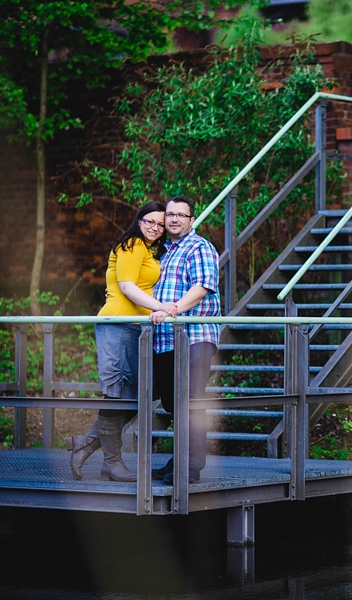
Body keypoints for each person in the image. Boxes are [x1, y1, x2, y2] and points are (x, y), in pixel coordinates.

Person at [66, 201, 178, 481]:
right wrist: (160, 307)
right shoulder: (130, 246)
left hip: (135, 328)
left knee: (137, 395)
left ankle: (87, 443)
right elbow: (127, 287)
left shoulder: (149, 251)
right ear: (138, 221)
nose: (155, 227)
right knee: (117, 392)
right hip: (116, 324)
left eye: (160, 224)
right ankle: (112, 463)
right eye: (150, 221)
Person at [149, 195, 221, 485]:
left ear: (192, 220)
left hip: (194, 336)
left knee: (191, 400)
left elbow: (203, 286)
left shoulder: (199, 247)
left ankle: (190, 466)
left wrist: (173, 310)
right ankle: (178, 458)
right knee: (173, 403)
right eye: (170, 214)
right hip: (165, 338)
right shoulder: (162, 252)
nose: (174, 219)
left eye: (181, 214)